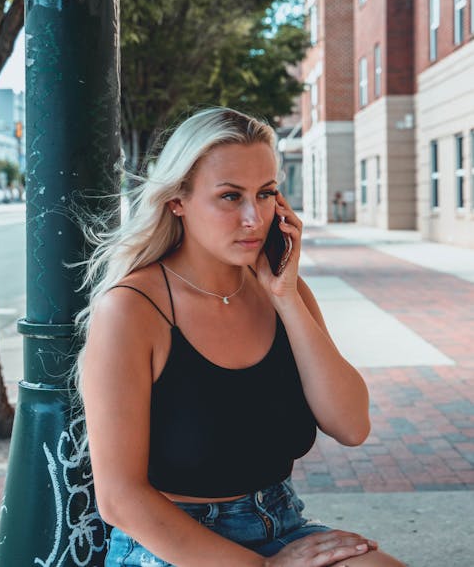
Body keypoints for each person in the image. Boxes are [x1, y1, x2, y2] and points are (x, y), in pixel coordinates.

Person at [77, 107, 405, 567]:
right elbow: (120, 498)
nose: (255, 218)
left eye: (266, 193)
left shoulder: (281, 289)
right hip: (170, 542)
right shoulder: (132, 310)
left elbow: (352, 426)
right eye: (230, 197)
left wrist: (287, 299)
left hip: (279, 522)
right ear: (178, 200)